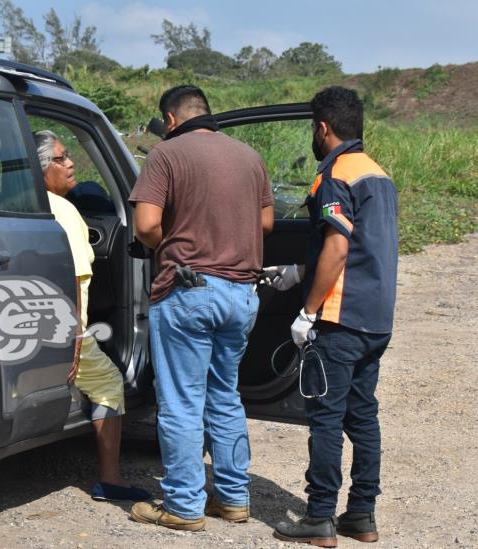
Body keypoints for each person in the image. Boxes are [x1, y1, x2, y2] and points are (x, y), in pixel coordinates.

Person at [127, 85, 274, 531]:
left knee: (181, 402)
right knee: (225, 397)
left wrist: (171, 243)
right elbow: (266, 222)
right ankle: (233, 498)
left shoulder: (167, 155)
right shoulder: (249, 157)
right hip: (241, 294)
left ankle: (184, 505)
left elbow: (146, 224)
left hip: (188, 289)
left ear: (170, 120)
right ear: (206, 113)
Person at [265, 86, 398, 546]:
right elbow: (360, 248)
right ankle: (361, 514)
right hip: (376, 318)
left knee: (324, 417)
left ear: (322, 128)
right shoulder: (377, 174)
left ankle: (319, 516)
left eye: (312, 128)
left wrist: (307, 309)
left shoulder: (335, 175)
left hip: (339, 320)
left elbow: (339, 246)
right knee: (362, 417)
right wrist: (299, 269)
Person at [33, 130, 150, 503]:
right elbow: (77, 284)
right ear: (41, 168)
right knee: (110, 382)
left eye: (68, 157)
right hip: (63, 328)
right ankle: (111, 479)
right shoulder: (65, 213)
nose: (70, 165)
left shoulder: (12, 202)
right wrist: (75, 343)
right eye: (61, 159)